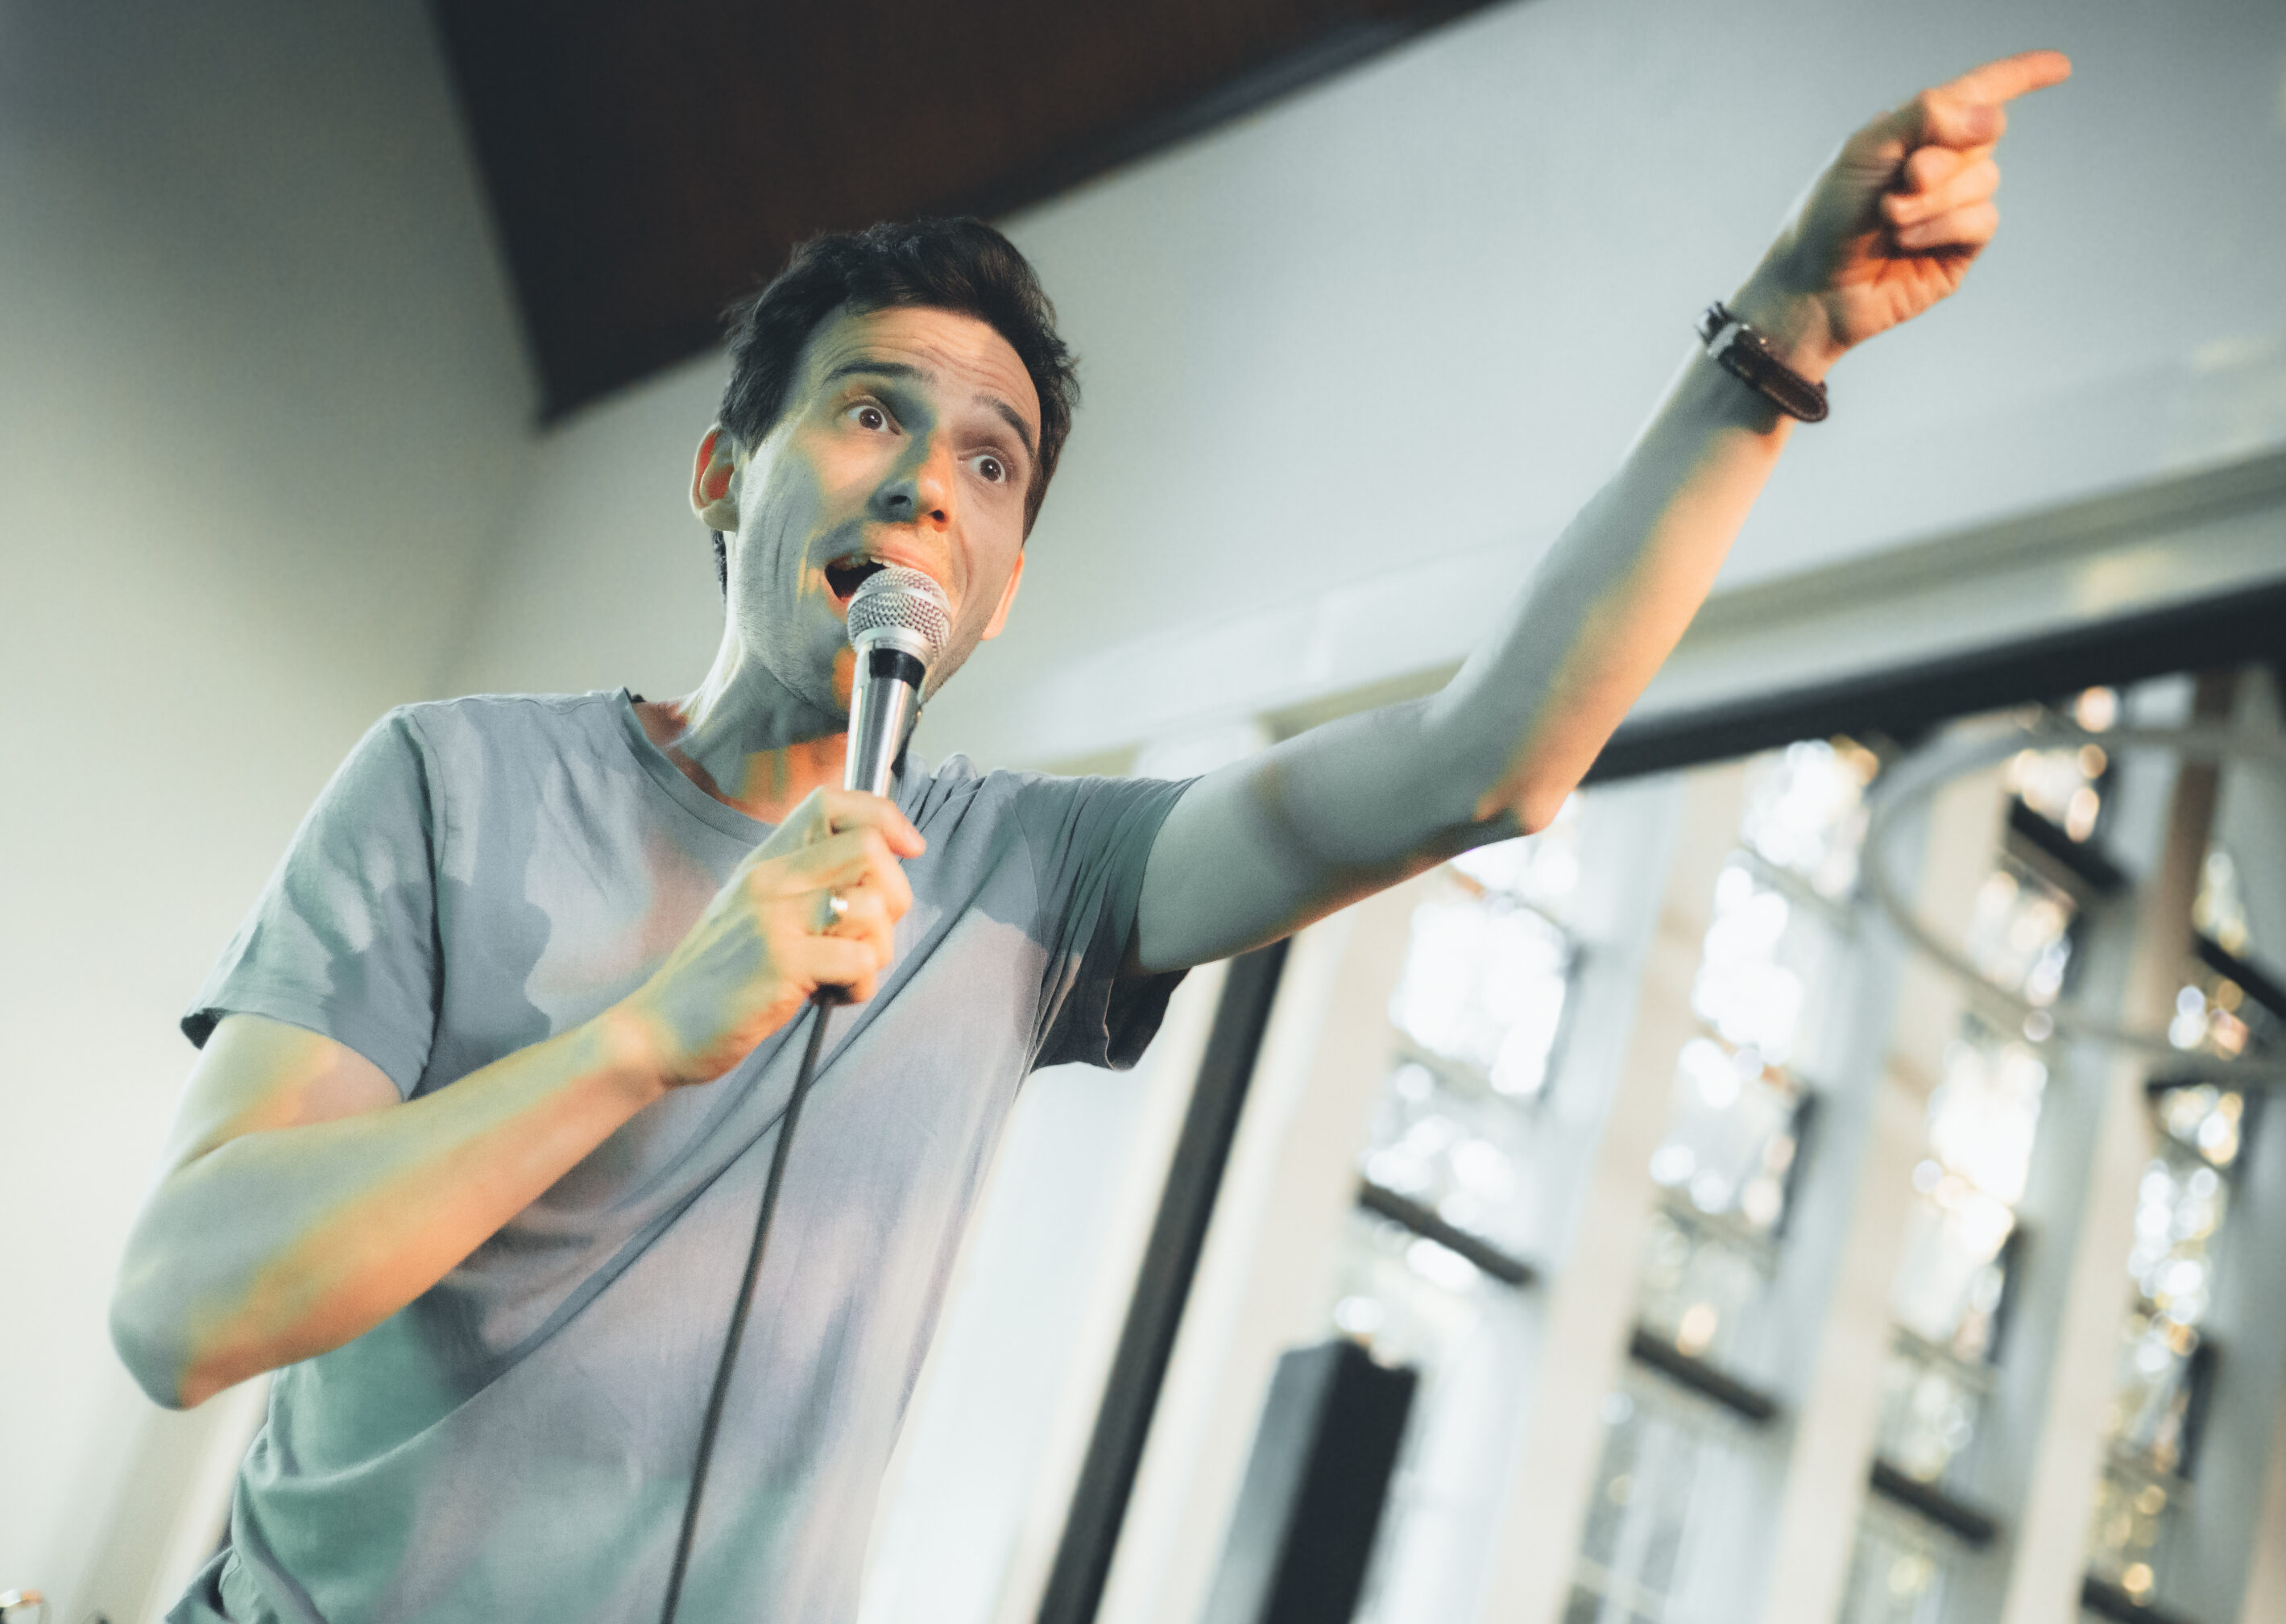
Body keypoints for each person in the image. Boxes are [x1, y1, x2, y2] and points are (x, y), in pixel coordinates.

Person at [110, 49, 2071, 1623]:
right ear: (724, 474)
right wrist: (646, 1033)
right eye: (871, 416)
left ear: (1008, 579)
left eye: (992, 463)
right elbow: (188, 1313)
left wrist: (1774, 349)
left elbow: (1481, 766)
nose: (931, 489)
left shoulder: (1034, 880)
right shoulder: (448, 781)